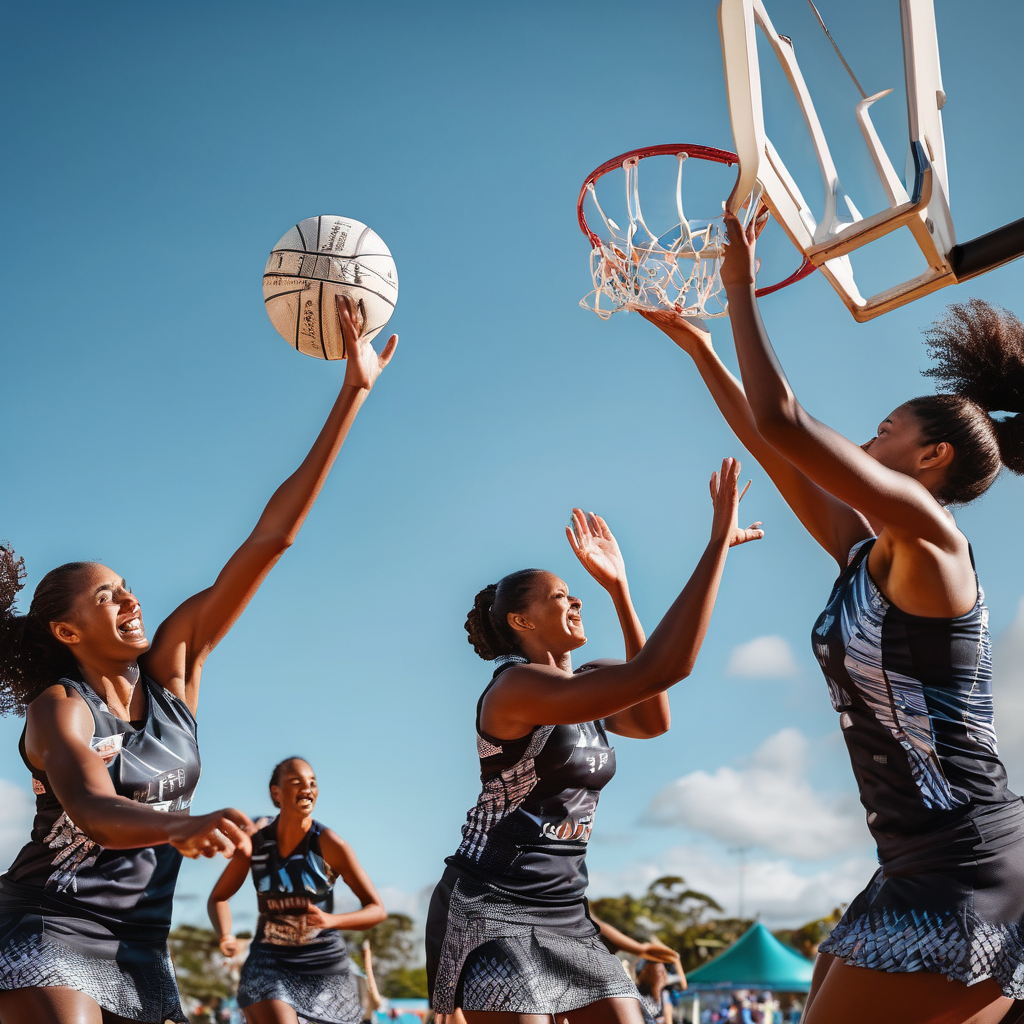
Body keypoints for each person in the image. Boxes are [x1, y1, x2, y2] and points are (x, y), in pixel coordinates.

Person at [642, 213, 1024, 1024]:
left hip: (965, 859)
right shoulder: (864, 554)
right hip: (916, 858)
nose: (866, 435)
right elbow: (776, 445)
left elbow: (786, 421)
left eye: (887, 429)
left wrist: (738, 287)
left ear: (933, 459)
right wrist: (701, 348)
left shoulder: (933, 542)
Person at [0, 296, 396, 1024]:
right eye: (106, 598)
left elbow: (269, 540)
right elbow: (90, 810)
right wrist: (179, 826)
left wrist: (352, 394)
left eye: (127, 589)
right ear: (65, 632)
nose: (130, 601)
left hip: (142, 946)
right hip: (51, 925)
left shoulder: (176, 671)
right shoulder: (59, 706)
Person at [426, 463, 762, 1024]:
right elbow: (664, 667)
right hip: (490, 904)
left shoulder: (592, 683)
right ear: (520, 620)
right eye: (561, 596)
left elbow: (654, 717)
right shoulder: (515, 687)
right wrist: (715, 548)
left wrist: (621, 589)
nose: (576, 603)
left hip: (566, 910)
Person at [209, 757, 387, 1024]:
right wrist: (225, 936)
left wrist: (331, 921)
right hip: (269, 962)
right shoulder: (255, 845)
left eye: (313, 783)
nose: (308, 789)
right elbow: (219, 897)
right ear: (276, 792)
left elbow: (376, 910)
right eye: (296, 782)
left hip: (324, 966)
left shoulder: (330, 844)